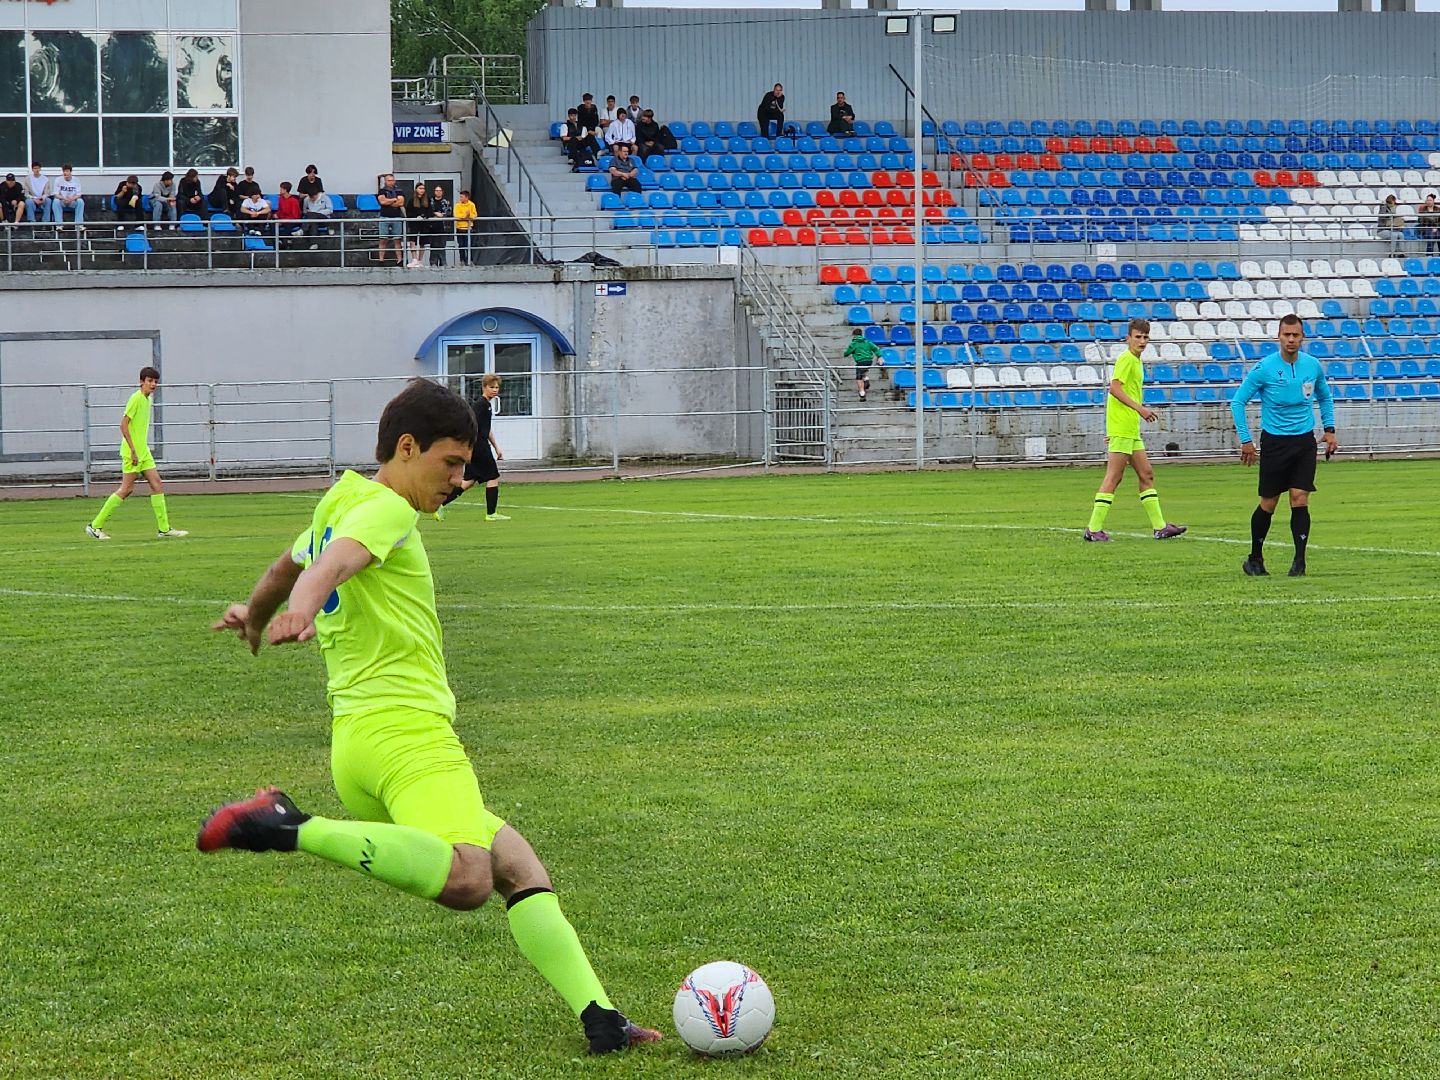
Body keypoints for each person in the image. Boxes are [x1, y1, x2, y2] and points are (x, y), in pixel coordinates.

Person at [199, 378, 660, 1056]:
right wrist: (302, 604)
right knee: (470, 878)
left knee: (517, 868)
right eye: (449, 462)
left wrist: (261, 610)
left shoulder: (341, 499)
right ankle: (288, 826)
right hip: (407, 736)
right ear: (406, 448)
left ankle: (601, 1018)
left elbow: (287, 561)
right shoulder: (386, 506)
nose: (460, 478)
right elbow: (331, 563)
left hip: (359, 742)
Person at [1231, 313, 1336, 578]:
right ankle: (1255, 558)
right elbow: (1238, 402)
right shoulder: (1265, 367)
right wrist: (1246, 440)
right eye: (1286, 334)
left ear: (1302, 337)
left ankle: (1299, 562)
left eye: (1296, 335)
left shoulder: (1312, 366)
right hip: (1275, 442)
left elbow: (1325, 397)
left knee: (1300, 498)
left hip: (1304, 441)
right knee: (1269, 502)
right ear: (1279, 337)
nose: (1291, 339)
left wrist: (1330, 430)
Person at [1082, 319, 1187, 543]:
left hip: (1129, 428)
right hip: (1123, 427)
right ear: (1128, 338)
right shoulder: (1126, 359)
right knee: (1114, 477)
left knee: (1146, 474)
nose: (1142, 341)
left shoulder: (1136, 361)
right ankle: (1093, 528)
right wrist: (1140, 409)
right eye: (1137, 337)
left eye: (1145, 337)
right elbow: (1114, 388)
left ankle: (1160, 527)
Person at [84, 366, 189, 541]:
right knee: (126, 490)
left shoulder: (148, 400)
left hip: (143, 452)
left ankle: (164, 529)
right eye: (150, 381)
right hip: (132, 452)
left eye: (155, 381)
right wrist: (132, 450)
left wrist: (140, 450)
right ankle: (95, 526)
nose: (153, 384)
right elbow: (123, 425)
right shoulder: (136, 398)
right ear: (142, 382)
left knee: (157, 484)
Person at [441, 373, 508, 520]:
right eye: (492, 387)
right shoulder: (480, 405)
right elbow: (471, 425)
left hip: (479, 446)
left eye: (497, 387)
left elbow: (487, 429)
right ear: (484, 387)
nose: (495, 390)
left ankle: (440, 505)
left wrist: (497, 448)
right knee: (493, 477)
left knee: (468, 482)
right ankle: (491, 514)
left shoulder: (487, 405)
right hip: (479, 446)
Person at [842, 328, 882, 400]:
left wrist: (846, 353)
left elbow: (846, 353)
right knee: (864, 371)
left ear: (854, 335)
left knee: (858, 377)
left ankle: (862, 392)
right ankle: (866, 378)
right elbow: (876, 348)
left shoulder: (854, 344)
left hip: (860, 361)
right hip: (869, 361)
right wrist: (879, 356)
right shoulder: (867, 342)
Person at [377, 173, 407, 266]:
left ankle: (399, 260)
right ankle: (381, 260)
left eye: (392, 180)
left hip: (396, 217)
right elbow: (382, 201)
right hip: (384, 217)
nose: (391, 182)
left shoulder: (399, 191)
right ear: (385, 181)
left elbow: (401, 202)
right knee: (383, 239)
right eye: (389, 180)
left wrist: (388, 201)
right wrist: (394, 199)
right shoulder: (382, 191)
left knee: (397, 239)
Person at [405, 182, 430, 268]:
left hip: (424, 224)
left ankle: (420, 260)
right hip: (414, 223)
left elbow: (430, 211)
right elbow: (408, 212)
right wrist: (416, 216)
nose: (422, 190)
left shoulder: (427, 200)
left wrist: (425, 216)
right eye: (420, 188)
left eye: (423, 189)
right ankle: (414, 259)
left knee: (423, 242)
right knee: (413, 240)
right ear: (416, 189)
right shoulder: (412, 200)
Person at [427, 184, 451, 267]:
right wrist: (435, 213)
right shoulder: (430, 201)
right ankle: (433, 262)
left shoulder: (446, 202)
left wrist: (442, 215)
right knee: (433, 245)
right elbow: (428, 211)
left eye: (440, 191)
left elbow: (449, 212)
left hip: (443, 226)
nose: (438, 192)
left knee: (442, 245)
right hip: (432, 227)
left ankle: (443, 262)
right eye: (436, 190)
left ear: (442, 192)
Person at [453, 189, 477, 265]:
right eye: (460, 197)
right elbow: (456, 215)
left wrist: (469, 216)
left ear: (467, 197)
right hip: (459, 228)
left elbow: (474, 215)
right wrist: (465, 216)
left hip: (468, 228)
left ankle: (470, 260)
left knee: (468, 245)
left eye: (462, 197)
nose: (460, 199)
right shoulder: (457, 205)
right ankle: (462, 260)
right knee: (461, 245)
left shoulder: (471, 205)